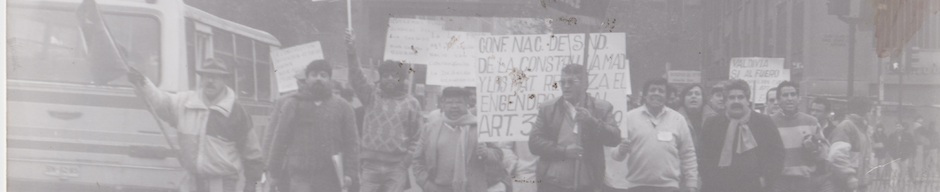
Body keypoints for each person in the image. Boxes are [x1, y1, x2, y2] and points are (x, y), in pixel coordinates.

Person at [127, 58, 263, 192]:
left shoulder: (236, 111)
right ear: (201, 78)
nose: (210, 81)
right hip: (192, 181)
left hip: (222, 183)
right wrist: (143, 83)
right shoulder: (185, 102)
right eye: (207, 76)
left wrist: (252, 184)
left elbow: (252, 152)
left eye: (216, 77)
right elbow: (160, 101)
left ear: (224, 80)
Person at [263, 61, 359, 192]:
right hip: (300, 176)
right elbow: (280, 139)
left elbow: (351, 143)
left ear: (330, 80)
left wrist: (350, 172)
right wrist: (274, 172)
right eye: (314, 74)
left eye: (323, 75)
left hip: (330, 177)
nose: (318, 78)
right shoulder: (292, 104)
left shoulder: (343, 107)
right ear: (307, 79)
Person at [347, 31, 422, 192]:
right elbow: (356, 76)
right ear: (380, 77)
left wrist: (406, 161)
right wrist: (352, 52)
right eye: (385, 75)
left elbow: (417, 137)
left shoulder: (412, 103)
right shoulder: (370, 95)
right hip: (370, 167)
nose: (389, 79)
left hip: (397, 168)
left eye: (394, 76)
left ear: (401, 79)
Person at [529, 64, 621, 192]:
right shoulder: (548, 108)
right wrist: (564, 151)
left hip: (587, 185)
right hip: (552, 185)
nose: (566, 86)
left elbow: (615, 138)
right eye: (563, 82)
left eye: (571, 82)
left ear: (585, 84)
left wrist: (592, 121)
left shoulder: (602, 108)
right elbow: (534, 143)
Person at [413, 87, 507, 192]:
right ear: (442, 104)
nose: (454, 106)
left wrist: (487, 153)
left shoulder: (480, 127)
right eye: (449, 102)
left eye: (459, 102)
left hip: (472, 189)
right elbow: (417, 160)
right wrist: (427, 185)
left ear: (467, 103)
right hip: (437, 188)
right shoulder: (429, 128)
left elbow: (499, 155)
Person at [698, 79, 784, 192]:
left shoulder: (764, 122)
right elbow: (703, 157)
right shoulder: (712, 124)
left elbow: (777, 155)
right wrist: (711, 180)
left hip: (755, 186)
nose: (736, 101)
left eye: (740, 97)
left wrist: (766, 179)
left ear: (748, 100)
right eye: (731, 97)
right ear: (725, 102)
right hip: (719, 186)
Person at [614, 78, 699, 192]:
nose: (656, 93)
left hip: (670, 187)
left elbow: (688, 154)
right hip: (637, 186)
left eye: (661, 91)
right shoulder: (629, 118)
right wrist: (621, 150)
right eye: (652, 90)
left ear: (667, 97)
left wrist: (692, 184)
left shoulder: (678, 119)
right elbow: (615, 155)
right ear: (645, 95)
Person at [768, 81, 826, 192]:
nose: (790, 98)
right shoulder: (769, 122)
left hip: (805, 182)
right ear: (778, 100)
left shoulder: (811, 121)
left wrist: (814, 148)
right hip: (779, 182)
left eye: (793, 94)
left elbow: (824, 153)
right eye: (785, 95)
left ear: (798, 98)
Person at [827, 97, 875, 192]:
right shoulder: (847, 126)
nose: (872, 115)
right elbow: (837, 155)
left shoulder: (863, 129)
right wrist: (849, 176)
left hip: (859, 183)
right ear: (865, 112)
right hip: (846, 185)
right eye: (871, 111)